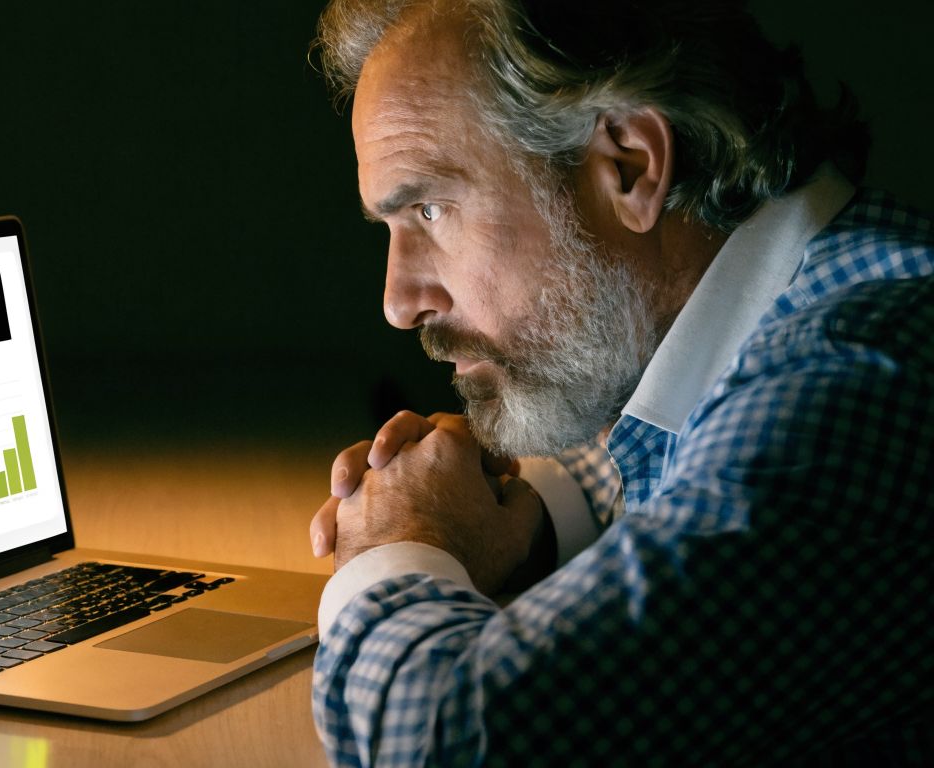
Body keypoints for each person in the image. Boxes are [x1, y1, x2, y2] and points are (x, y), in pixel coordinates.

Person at [306, 0, 934, 764]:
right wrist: (525, 518)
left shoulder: (854, 381)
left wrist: (396, 545)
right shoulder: (785, 312)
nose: (399, 301)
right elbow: (673, 449)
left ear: (629, 168)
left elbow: (450, 739)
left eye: (432, 209)